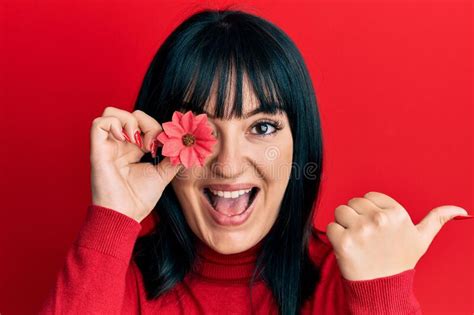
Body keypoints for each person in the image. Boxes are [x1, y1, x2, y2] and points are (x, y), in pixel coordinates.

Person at [39, 8, 469, 315]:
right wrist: (111, 215)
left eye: (262, 127)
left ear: (300, 143)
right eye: (202, 128)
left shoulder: (350, 283)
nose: (228, 164)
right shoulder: (112, 281)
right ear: (160, 144)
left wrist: (385, 294)